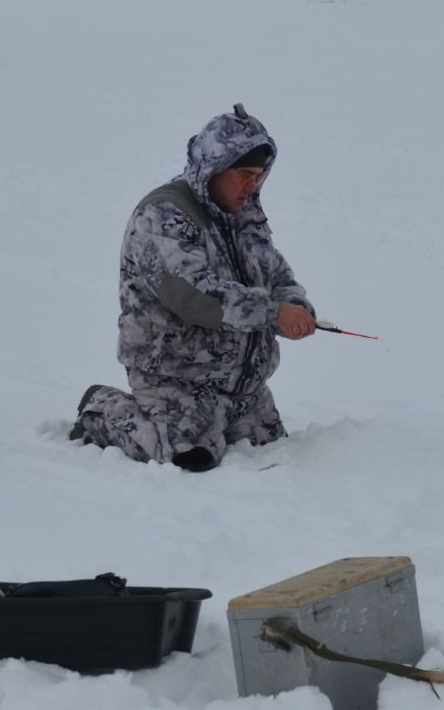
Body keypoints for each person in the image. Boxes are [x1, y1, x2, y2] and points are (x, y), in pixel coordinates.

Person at [71, 104, 316, 472]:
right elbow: (196, 297)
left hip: (242, 389)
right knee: (187, 461)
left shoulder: (243, 216)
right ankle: (102, 409)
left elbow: (276, 273)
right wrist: (271, 312)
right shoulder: (163, 216)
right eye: (245, 174)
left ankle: (230, 414)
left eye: (261, 176)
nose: (253, 185)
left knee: (274, 456)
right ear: (215, 167)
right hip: (175, 379)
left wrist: (295, 305)